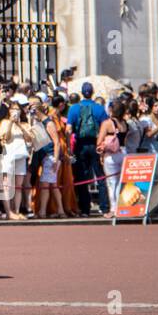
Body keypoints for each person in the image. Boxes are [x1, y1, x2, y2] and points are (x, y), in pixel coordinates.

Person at [68, 82, 109, 215]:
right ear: (92, 92)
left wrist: (69, 146)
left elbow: (68, 129)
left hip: (80, 145)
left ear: (81, 93)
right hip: (96, 143)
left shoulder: (74, 108)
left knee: (82, 177)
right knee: (100, 176)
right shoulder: (99, 108)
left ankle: (85, 208)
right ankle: (104, 207)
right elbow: (107, 127)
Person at [95, 100, 129, 218]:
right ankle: (123, 207)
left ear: (111, 110)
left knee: (111, 182)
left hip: (111, 155)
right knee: (121, 182)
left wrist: (101, 147)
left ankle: (114, 209)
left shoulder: (107, 123)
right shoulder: (125, 123)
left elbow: (99, 141)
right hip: (123, 152)